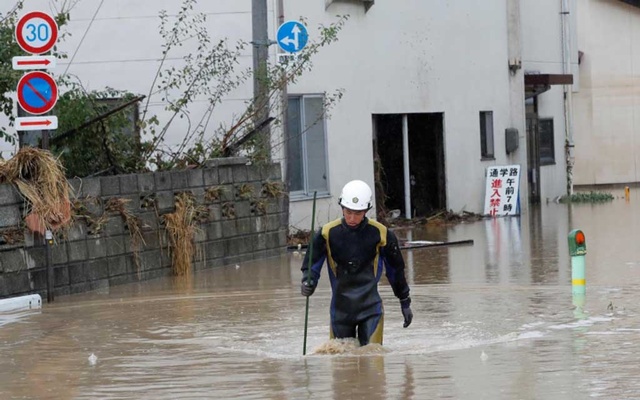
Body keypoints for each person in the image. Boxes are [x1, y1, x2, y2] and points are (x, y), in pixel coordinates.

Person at [301, 179, 413, 346]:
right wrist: (308, 281)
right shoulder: (326, 233)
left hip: (371, 310)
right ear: (342, 208)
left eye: (358, 213)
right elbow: (312, 264)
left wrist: (404, 301)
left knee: (373, 361)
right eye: (348, 212)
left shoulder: (381, 234)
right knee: (341, 364)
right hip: (340, 312)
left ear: (366, 210)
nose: (352, 218)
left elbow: (395, 271)